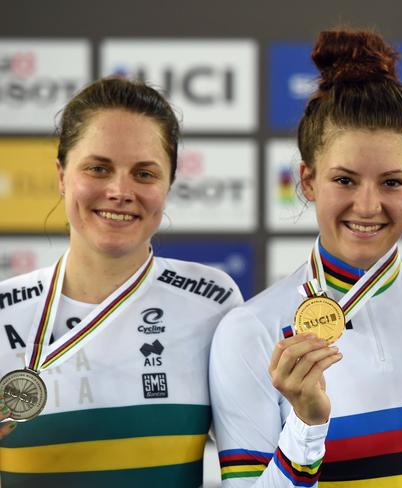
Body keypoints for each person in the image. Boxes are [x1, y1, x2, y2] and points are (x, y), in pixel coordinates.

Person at [209, 29, 402, 487]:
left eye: (391, 182)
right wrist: (307, 426)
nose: (368, 206)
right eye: (345, 180)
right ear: (307, 181)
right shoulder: (251, 330)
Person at [0, 77, 242, 487]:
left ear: (169, 185)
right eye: (98, 168)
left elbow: (253, 473)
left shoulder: (213, 304)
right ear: (61, 175)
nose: (119, 191)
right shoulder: (6, 309)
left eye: (144, 174)